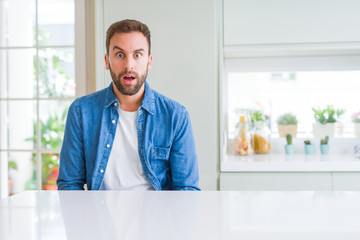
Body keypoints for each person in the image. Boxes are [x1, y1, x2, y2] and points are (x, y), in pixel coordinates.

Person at [57, 19, 200, 191]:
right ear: (107, 61)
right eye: (119, 55)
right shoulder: (81, 112)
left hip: (156, 216)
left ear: (149, 61)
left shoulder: (176, 116)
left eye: (137, 55)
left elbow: (186, 189)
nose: (128, 65)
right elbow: (69, 184)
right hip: (99, 217)